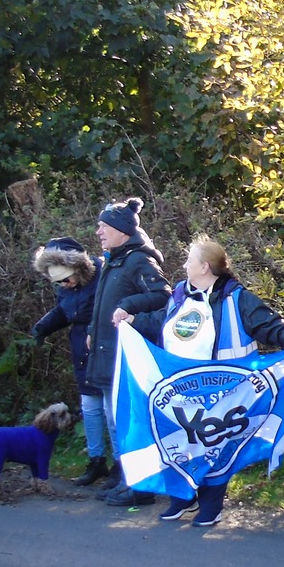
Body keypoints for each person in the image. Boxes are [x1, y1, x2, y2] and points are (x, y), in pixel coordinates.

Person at [123, 235, 284, 527]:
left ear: (205, 267)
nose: (184, 265)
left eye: (189, 260)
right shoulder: (180, 294)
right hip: (180, 391)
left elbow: (268, 324)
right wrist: (133, 322)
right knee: (181, 442)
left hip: (225, 392)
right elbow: (160, 321)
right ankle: (183, 495)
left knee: (215, 446)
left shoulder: (238, 298)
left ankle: (211, 503)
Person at [82, 198, 172, 506]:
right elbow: (102, 304)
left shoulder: (138, 261)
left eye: (103, 227)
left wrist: (129, 306)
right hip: (107, 353)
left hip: (127, 358)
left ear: (121, 230)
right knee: (115, 421)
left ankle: (139, 484)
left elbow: (163, 296)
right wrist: (93, 330)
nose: (98, 232)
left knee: (129, 422)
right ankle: (125, 478)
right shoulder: (113, 260)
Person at [29, 238, 102, 480]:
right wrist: (43, 327)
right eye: (58, 281)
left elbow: (109, 308)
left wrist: (95, 331)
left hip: (104, 345)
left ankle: (122, 466)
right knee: (89, 407)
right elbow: (65, 310)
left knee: (112, 410)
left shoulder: (102, 275)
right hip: (81, 348)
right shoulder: (67, 287)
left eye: (66, 279)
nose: (64, 285)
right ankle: (96, 461)